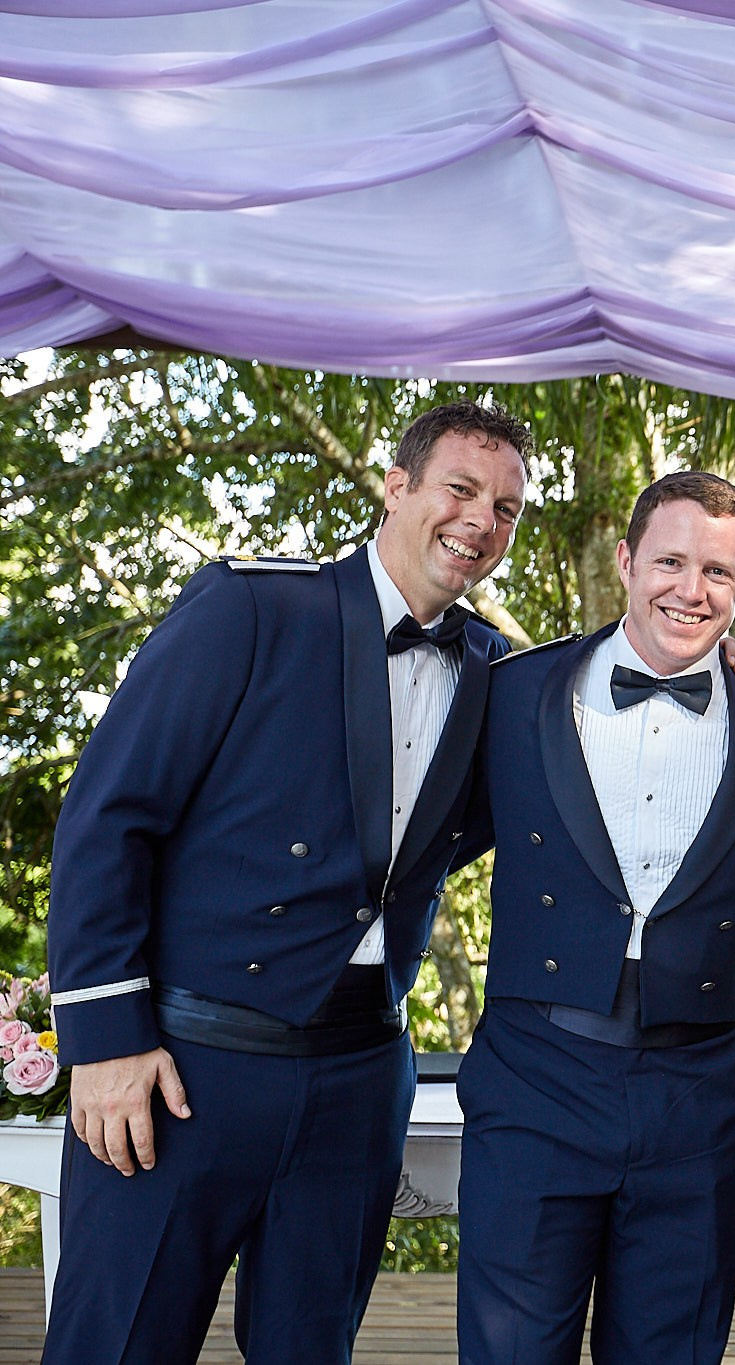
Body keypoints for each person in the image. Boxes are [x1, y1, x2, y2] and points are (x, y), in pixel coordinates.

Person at [45, 401, 531, 1363]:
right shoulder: (254, 606)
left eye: (507, 508)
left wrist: (718, 663)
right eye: (461, 489)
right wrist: (105, 1041)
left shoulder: (494, 669)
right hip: (184, 1067)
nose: (481, 520)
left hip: (361, 1076)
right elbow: (109, 816)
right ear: (396, 487)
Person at [452, 471, 735, 1364]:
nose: (690, 590)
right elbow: (412, 839)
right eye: (670, 562)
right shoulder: (512, 692)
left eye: (717, 571)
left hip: (697, 1101)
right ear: (628, 561)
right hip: (535, 1081)